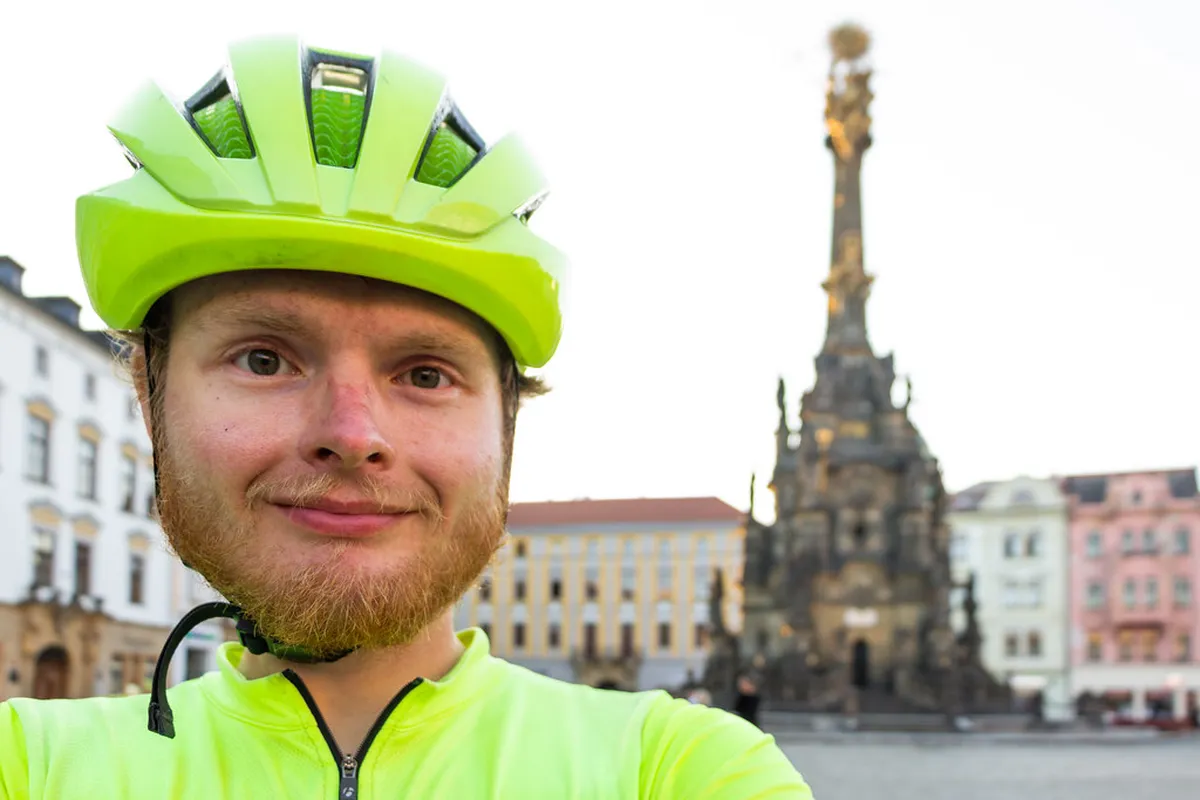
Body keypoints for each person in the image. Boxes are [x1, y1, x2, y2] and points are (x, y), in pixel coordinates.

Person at [0, 36, 813, 799]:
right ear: (150, 398)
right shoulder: (28, 763)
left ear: (508, 429)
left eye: (425, 373)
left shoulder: (675, 769)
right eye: (263, 359)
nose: (354, 434)